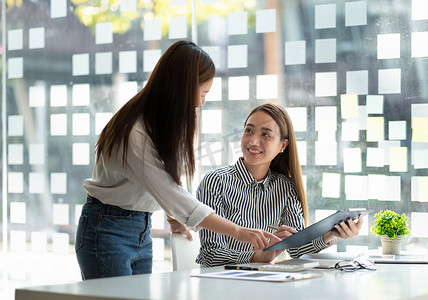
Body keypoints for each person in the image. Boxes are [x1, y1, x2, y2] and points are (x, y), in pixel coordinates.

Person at [75, 40, 279, 280]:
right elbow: (171, 191)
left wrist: (173, 217)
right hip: (106, 229)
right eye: (203, 93)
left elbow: (159, 183)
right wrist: (239, 232)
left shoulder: (161, 124)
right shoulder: (135, 131)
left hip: (140, 229)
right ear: (183, 86)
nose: (202, 102)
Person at [196, 103, 363, 267]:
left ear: (283, 145)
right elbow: (210, 254)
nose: (253, 141)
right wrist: (258, 256)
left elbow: (297, 250)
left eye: (266, 135)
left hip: (264, 281)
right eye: (249, 130)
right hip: (221, 283)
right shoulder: (215, 182)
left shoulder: (285, 187)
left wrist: (331, 234)